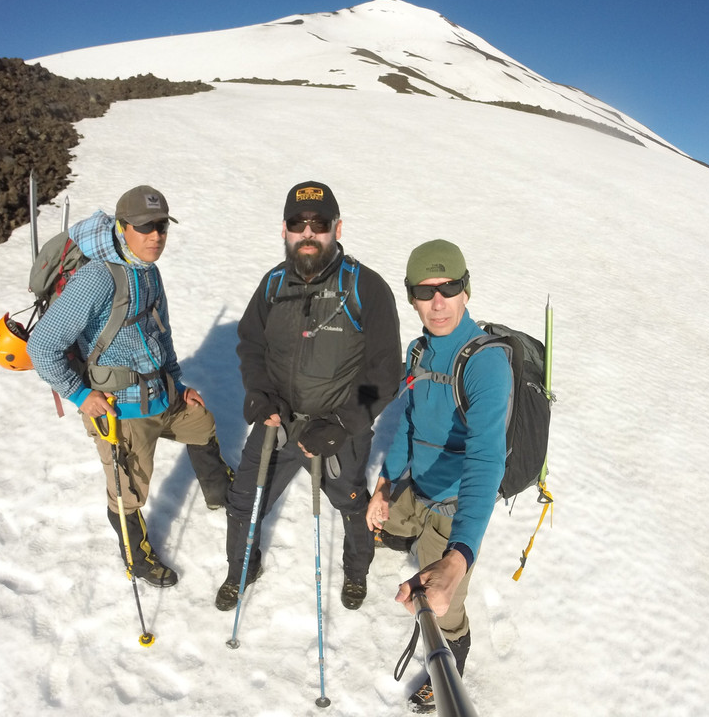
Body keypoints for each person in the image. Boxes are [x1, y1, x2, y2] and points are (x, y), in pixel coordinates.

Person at [27, 185, 232, 587]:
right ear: (122, 228)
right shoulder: (97, 279)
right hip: (119, 408)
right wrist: (81, 395)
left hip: (161, 392)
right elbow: (42, 346)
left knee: (201, 422)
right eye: (145, 227)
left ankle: (218, 490)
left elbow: (161, 333)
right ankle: (137, 558)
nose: (156, 236)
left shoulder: (148, 271)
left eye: (161, 226)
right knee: (128, 492)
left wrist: (177, 383)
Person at [216, 181, 402, 612]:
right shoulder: (273, 284)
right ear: (284, 229)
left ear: (337, 228)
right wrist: (259, 393)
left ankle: (356, 571)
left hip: (339, 429)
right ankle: (241, 568)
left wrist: (342, 423)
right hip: (278, 422)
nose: (308, 232)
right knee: (243, 501)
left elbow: (384, 373)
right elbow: (251, 344)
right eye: (298, 223)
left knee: (351, 503)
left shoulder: (365, 287)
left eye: (319, 224)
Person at [366, 240, 511, 713]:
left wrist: (459, 556)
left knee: (442, 600)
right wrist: (385, 484)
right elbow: (410, 423)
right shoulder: (419, 351)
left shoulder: (486, 363)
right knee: (378, 521)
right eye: (425, 291)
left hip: (454, 507)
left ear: (466, 289)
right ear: (411, 297)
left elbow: (486, 459)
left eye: (448, 287)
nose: (438, 302)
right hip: (418, 487)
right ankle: (406, 531)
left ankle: (455, 653)